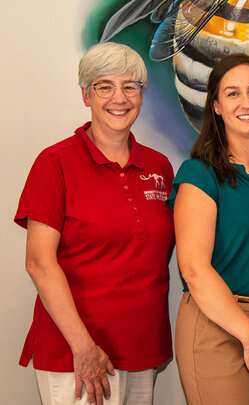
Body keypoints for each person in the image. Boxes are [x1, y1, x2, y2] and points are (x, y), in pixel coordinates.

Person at [14, 42, 174, 405]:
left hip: (141, 347)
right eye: (105, 86)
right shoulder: (55, 163)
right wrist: (83, 346)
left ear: (142, 95)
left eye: (131, 86)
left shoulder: (159, 166)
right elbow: (39, 262)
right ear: (86, 95)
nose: (119, 97)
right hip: (77, 352)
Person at [168, 53, 249, 405]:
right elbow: (194, 269)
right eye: (232, 93)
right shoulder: (199, 174)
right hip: (220, 328)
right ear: (215, 106)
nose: (247, 102)